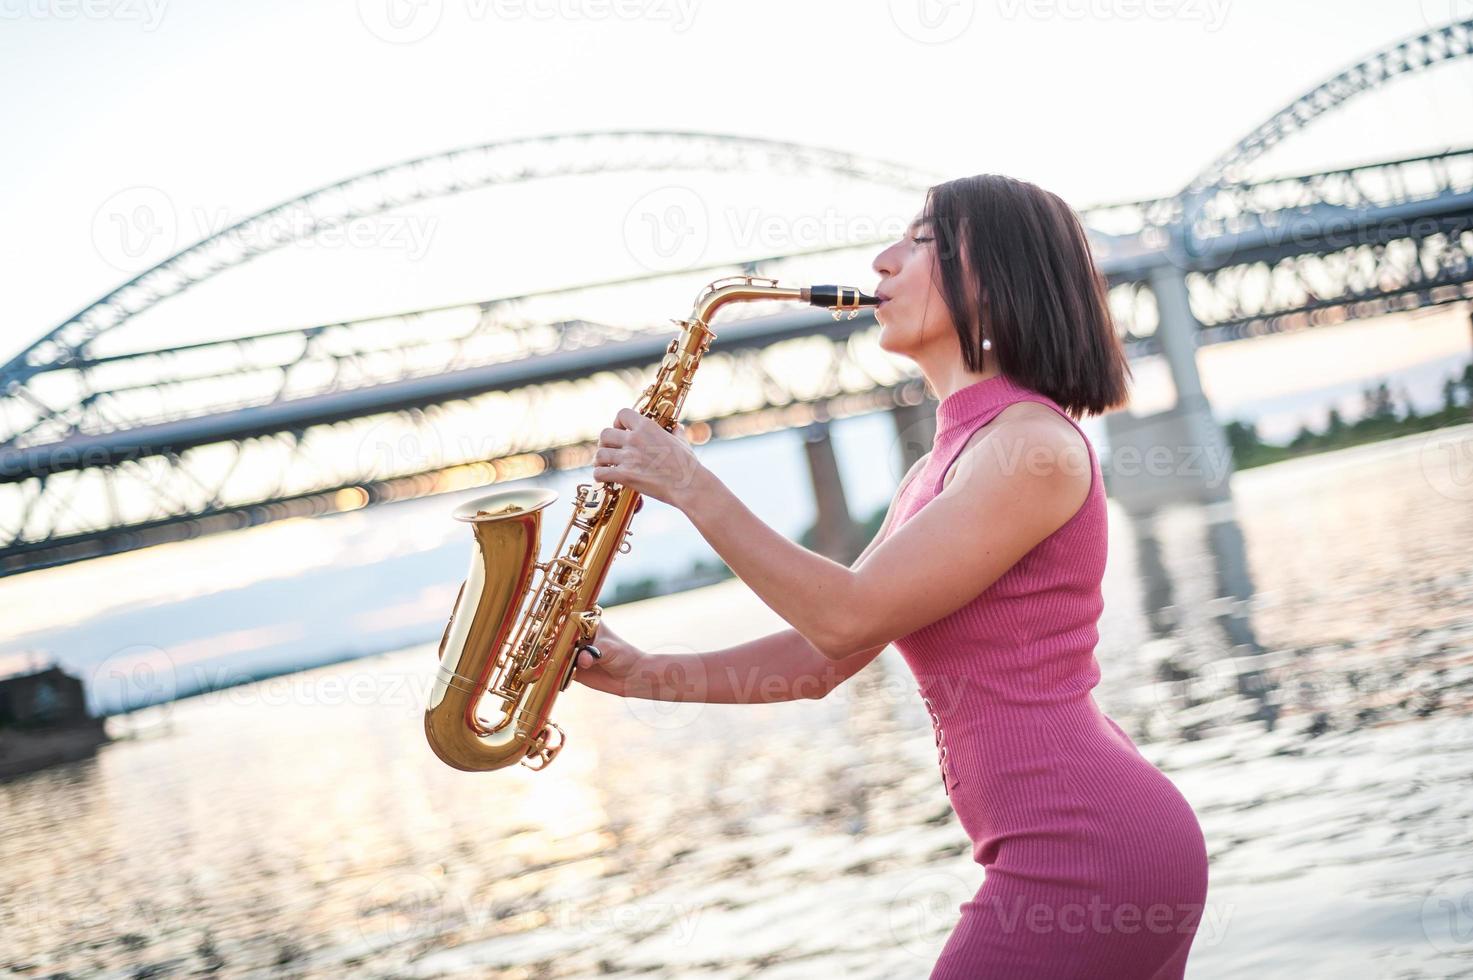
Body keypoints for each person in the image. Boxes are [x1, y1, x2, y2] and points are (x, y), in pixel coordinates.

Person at [575, 173, 1210, 978]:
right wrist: (639, 675)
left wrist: (690, 484)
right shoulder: (941, 465)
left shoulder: (1030, 448)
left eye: (919, 242)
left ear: (999, 276)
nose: (880, 261)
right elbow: (821, 659)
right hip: (1074, 847)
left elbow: (845, 615)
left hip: (1087, 852)